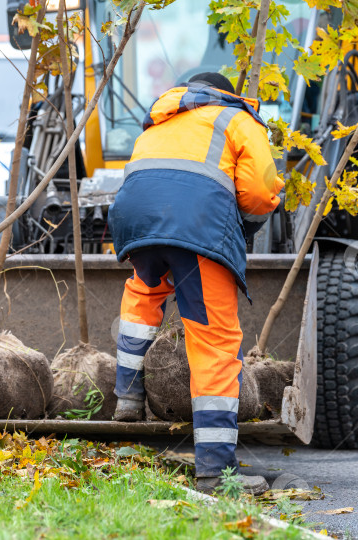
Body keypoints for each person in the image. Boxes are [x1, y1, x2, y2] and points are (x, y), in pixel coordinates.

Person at [107, 72, 284, 495]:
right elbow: (260, 192)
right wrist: (245, 228)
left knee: (143, 294)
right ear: (226, 92)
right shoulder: (238, 118)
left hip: (136, 222)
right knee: (215, 344)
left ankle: (127, 397)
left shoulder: (159, 119)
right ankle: (217, 474)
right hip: (198, 229)